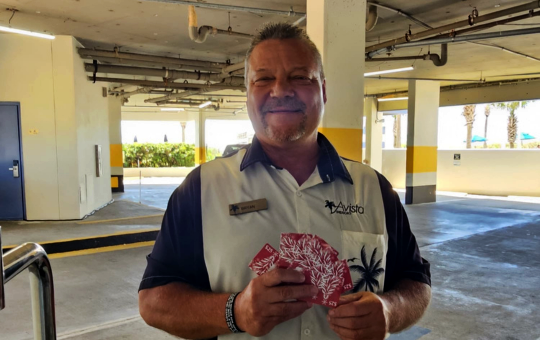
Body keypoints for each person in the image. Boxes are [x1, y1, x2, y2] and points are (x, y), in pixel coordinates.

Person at [138, 22, 431, 340]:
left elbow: (416, 284)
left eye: (300, 77)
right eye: (264, 79)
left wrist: (389, 310)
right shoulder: (201, 189)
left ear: (323, 90)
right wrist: (237, 311)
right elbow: (154, 302)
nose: (280, 90)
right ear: (248, 93)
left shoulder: (374, 189)